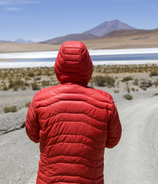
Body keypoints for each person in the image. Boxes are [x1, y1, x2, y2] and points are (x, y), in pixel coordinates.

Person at [25, 41, 122, 184]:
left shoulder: (41, 99)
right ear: (88, 66)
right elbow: (113, 140)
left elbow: (33, 135)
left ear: (58, 65)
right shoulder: (105, 101)